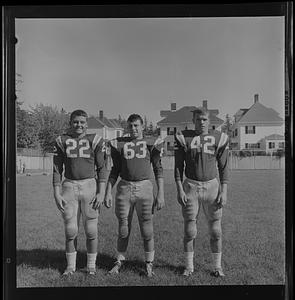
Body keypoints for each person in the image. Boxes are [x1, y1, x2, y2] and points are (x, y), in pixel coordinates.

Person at [104, 114, 165, 277]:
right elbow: (115, 170)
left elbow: (158, 168)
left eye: (137, 125)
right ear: (127, 127)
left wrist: (161, 193)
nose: (134, 129)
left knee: (147, 229)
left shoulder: (151, 143)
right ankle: (119, 261)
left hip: (144, 187)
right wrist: (108, 190)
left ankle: (149, 263)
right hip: (124, 187)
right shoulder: (119, 144)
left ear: (142, 126)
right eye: (131, 126)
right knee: (123, 228)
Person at [174, 107, 229, 277]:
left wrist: (224, 190)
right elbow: (178, 167)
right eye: (198, 119)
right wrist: (179, 189)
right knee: (190, 230)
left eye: (205, 119)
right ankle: (189, 267)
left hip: (212, 187)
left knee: (216, 231)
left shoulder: (219, 137)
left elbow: (224, 166)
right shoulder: (184, 137)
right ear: (194, 121)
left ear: (210, 121)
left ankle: (217, 267)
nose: (202, 122)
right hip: (191, 186)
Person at [52, 109, 107, 276]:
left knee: (91, 230)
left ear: (87, 124)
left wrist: (101, 192)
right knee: (70, 230)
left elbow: (102, 168)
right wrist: (56, 192)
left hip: (90, 186)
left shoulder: (95, 140)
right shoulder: (62, 140)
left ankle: (91, 265)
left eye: (82, 122)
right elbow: (56, 169)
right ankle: (70, 266)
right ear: (70, 123)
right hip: (69, 186)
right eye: (76, 122)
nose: (79, 125)